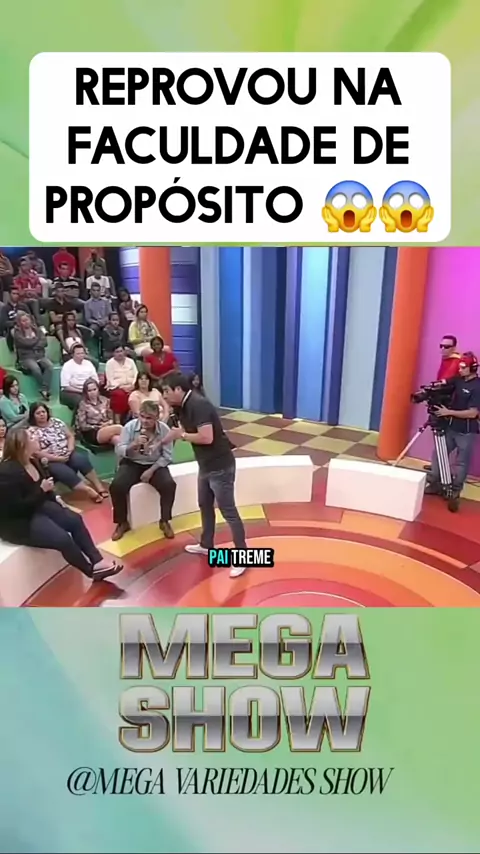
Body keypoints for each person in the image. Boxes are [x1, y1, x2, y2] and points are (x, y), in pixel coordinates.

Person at [0, 428, 121, 581]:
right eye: (31, 437)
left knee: (74, 520)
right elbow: (14, 508)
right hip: (19, 521)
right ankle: (90, 571)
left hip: (38, 506)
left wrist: (56, 499)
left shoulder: (33, 461)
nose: (36, 437)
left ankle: (98, 561)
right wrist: (41, 491)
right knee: (62, 539)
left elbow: (46, 489)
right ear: (22, 444)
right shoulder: (6, 472)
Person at [162, 372, 247, 578]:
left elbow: (206, 437)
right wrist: (164, 439)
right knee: (205, 505)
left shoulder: (198, 405)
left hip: (220, 466)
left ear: (178, 390)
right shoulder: (181, 406)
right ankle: (206, 544)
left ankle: (243, 557)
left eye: (166, 391)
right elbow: (179, 429)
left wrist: (182, 435)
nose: (164, 395)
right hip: (206, 466)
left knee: (228, 511)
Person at [110, 400, 176, 541]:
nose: (145, 421)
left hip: (154, 464)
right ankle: (122, 522)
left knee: (169, 485)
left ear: (156, 417)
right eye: (142, 417)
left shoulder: (164, 430)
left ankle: (165, 521)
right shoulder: (130, 427)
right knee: (117, 485)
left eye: (149, 418)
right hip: (132, 462)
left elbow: (167, 456)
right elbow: (119, 449)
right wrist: (133, 444)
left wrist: (151, 471)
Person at [425, 352, 480, 512]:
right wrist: (433, 388)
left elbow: (473, 413)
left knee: (461, 463)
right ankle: (436, 483)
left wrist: (448, 412)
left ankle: (454, 491)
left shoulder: (477, 387)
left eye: (463, 367)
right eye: (459, 367)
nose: (460, 370)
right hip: (450, 428)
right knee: (438, 454)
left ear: (472, 368)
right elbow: (445, 382)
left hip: (466, 432)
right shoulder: (458, 380)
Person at [28, 401, 108, 502]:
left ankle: (99, 487)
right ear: (33, 416)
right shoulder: (32, 431)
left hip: (67, 453)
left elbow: (70, 436)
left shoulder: (56, 422)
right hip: (50, 460)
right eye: (38, 413)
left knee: (81, 460)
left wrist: (70, 450)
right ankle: (88, 490)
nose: (42, 415)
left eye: (43, 412)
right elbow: (36, 453)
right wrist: (58, 458)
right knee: (65, 472)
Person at [13, 312, 53, 400]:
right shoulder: (17, 333)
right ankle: (45, 389)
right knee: (36, 369)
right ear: (20, 322)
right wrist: (36, 340)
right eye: (23, 321)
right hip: (26, 357)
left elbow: (44, 342)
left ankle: (44, 389)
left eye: (27, 320)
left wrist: (33, 344)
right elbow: (25, 343)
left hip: (40, 356)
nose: (26, 322)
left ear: (30, 320)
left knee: (49, 366)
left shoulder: (37, 330)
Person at [76, 379, 122, 448]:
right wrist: (97, 427)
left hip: (107, 427)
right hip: (92, 432)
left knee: (117, 439)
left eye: (94, 389)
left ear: (98, 389)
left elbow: (111, 418)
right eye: (89, 390)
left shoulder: (105, 400)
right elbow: (82, 426)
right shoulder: (83, 404)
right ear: (86, 392)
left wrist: (108, 423)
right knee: (119, 428)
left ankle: (124, 454)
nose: (93, 392)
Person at [60, 343, 98, 410]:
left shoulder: (89, 363)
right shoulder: (67, 366)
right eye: (78, 354)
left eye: (82, 353)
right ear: (72, 355)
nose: (81, 355)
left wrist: (90, 390)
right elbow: (65, 386)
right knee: (81, 402)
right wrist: (81, 391)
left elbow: (95, 379)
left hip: (88, 390)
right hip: (71, 391)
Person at [105, 345, 138, 422]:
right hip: (117, 387)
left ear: (125, 352)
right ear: (113, 353)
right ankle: (118, 420)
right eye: (117, 352)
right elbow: (110, 380)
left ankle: (133, 418)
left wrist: (133, 385)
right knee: (120, 395)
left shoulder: (130, 361)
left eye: (121, 351)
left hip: (132, 386)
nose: (120, 354)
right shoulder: (110, 363)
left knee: (135, 394)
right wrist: (122, 387)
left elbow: (136, 374)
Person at [0, 286, 33, 351]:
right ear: (9, 295)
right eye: (14, 294)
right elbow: (3, 323)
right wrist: (16, 322)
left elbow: (30, 318)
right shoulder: (5, 308)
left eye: (17, 294)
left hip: (26, 327)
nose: (16, 296)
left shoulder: (23, 306)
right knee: (15, 331)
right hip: (13, 328)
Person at [13, 258, 42, 325]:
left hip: (35, 297)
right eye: (23, 265)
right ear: (19, 267)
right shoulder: (17, 279)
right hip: (23, 300)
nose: (25, 267)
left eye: (26, 265)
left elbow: (39, 290)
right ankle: (39, 323)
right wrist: (30, 292)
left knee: (47, 301)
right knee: (33, 301)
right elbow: (20, 293)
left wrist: (28, 291)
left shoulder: (34, 277)